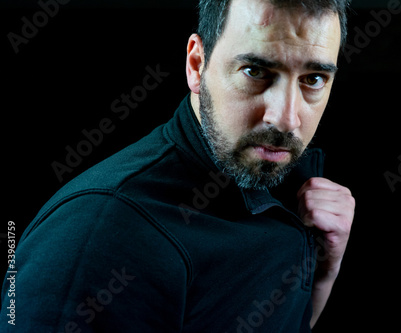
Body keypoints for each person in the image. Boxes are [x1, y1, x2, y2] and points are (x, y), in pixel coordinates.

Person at [1, 0, 354, 331]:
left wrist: (324, 271)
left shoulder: (288, 184)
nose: (285, 119)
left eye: (313, 79)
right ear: (197, 64)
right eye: (256, 71)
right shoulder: (97, 237)